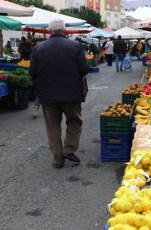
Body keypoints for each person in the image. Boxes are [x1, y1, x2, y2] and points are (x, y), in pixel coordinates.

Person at [28, 19, 89, 169]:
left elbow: (32, 72)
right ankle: (69, 149)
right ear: (64, 30)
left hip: (48, 95)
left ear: (49, 30)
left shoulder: (39, 48)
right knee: (74, 121)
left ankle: (57, 159)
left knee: (52, 127)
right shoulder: (75, 46)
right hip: (72, 93)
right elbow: (84, 69)